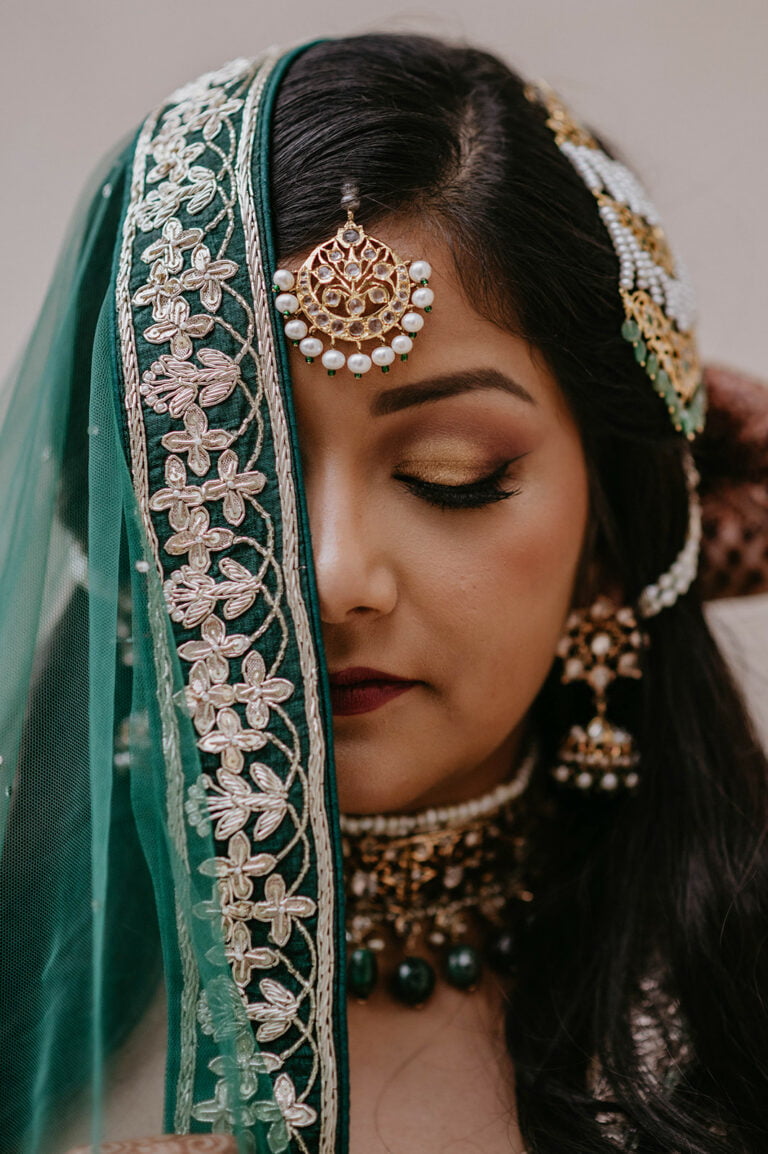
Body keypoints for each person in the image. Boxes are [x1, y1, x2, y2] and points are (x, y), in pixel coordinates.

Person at [1, 32, 767, 1154]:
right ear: (129, 522)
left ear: (608, 525)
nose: (331, 575)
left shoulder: (718, 1010)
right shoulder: (34, 996)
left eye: (454, 475)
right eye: (228, 473)